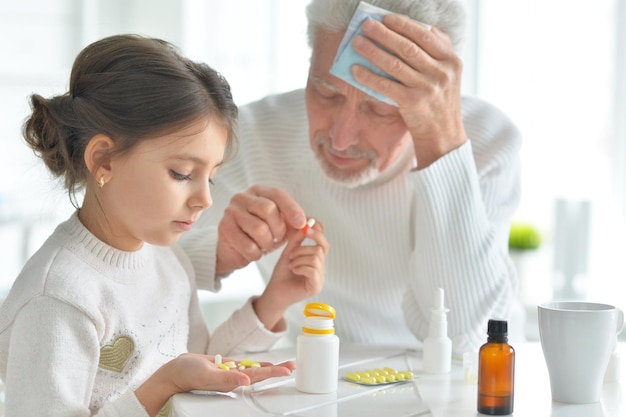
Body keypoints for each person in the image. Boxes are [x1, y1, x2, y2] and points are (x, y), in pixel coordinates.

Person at [0, 34, 328, 417]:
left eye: (212, 178)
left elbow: (201, 368)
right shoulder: (58, 298)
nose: (205, 199)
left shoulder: (168, 263)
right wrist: (164, 385)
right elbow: (174, 380)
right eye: (182, 173)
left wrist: (274, 301)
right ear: (103, 160)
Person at [180, 0, 522, 354]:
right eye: (326, 93)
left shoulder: (488, 143)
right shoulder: (251, 136)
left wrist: (442, 146)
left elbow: (470, 338)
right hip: (317, 379)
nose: (341, 139)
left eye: (381, 109)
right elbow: (137, 268)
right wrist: (219, 253)